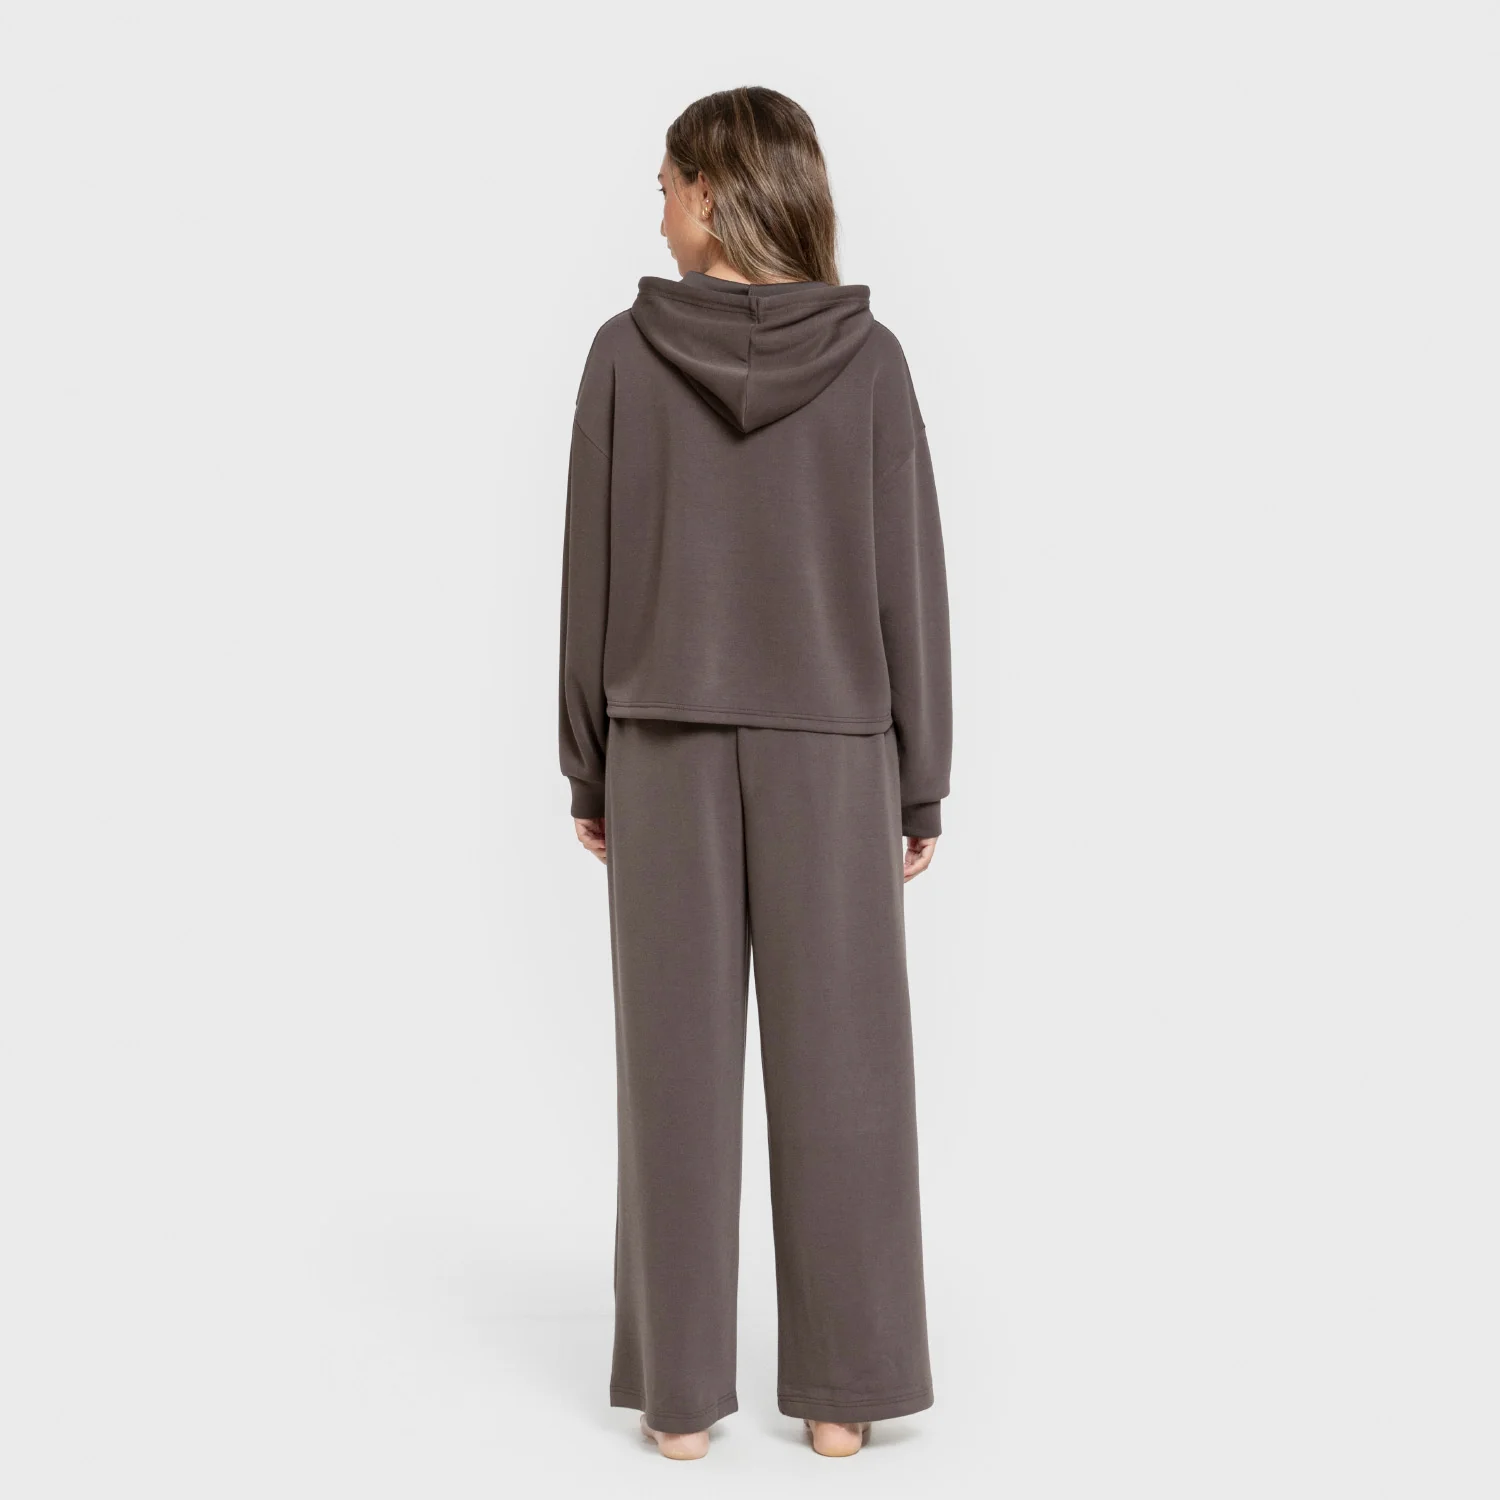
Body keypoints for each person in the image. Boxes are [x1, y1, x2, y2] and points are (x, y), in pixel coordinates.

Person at [557, 86, 952, 1461]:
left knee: (671, 1076)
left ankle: (680, 1407)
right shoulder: (871, 362)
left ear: (716, 196)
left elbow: (592, 574)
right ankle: (843, 1401)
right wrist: (920, 780)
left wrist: (588, 764)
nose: (658, 207)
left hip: (663, 743)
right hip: (834, 750)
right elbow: (909, 583)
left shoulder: (625, 355)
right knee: (848, 1074)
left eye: (668, 184)